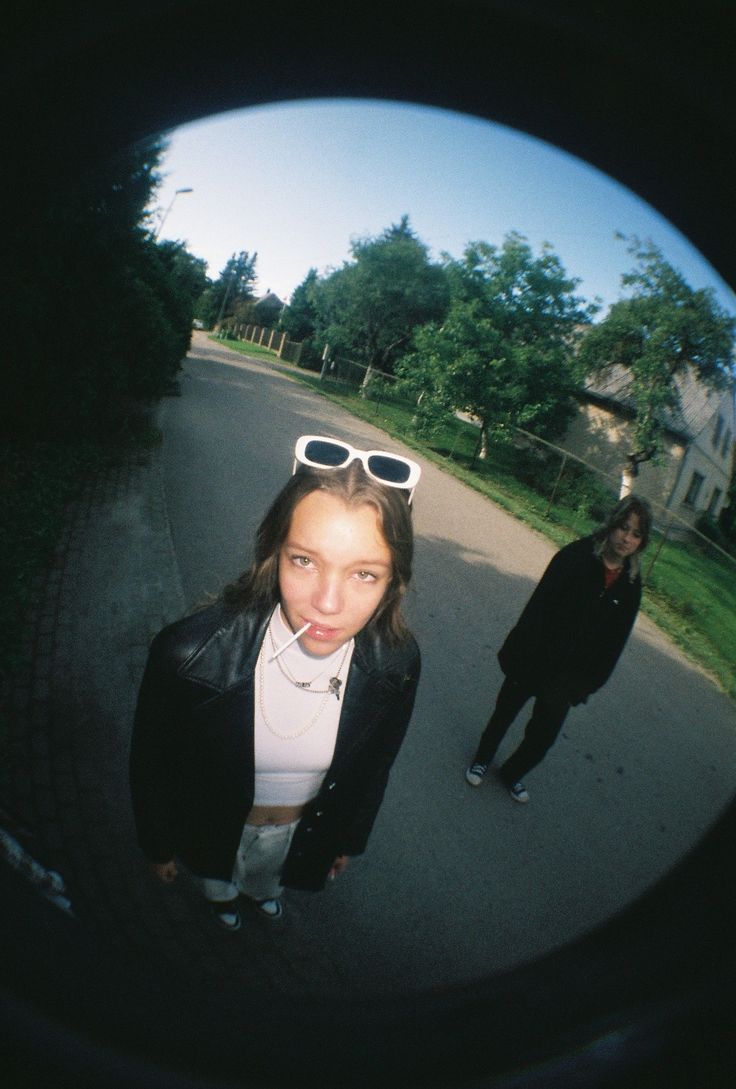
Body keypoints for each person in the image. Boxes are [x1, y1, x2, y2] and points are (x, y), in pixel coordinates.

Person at [130, 435, 421, 930]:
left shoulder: (397, 664)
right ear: (274, 553)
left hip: (298, 834)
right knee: (218, 879)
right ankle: (220, 898)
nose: (327, 604)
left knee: (269, 880)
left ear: (394, 581)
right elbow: (152, 764)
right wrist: (157, 845)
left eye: (364, 574)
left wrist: (347, 840)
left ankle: (262, 893)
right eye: (304, 560)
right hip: (213, 827)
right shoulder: (188, 656)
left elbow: (375, 766)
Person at [465, 495, 652, 803]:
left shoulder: (630, 587)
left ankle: (513, 773)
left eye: (635, 534)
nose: (626, 538)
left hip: (569, 676)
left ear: (641, 542)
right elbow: (538, 606)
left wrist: (588, 684)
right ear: (612, 525)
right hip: (535, 655)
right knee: (505, 712)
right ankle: (483, 758)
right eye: (623, 527)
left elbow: (613, 644)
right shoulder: (576, 556)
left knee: (544, 735)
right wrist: (519, 651)